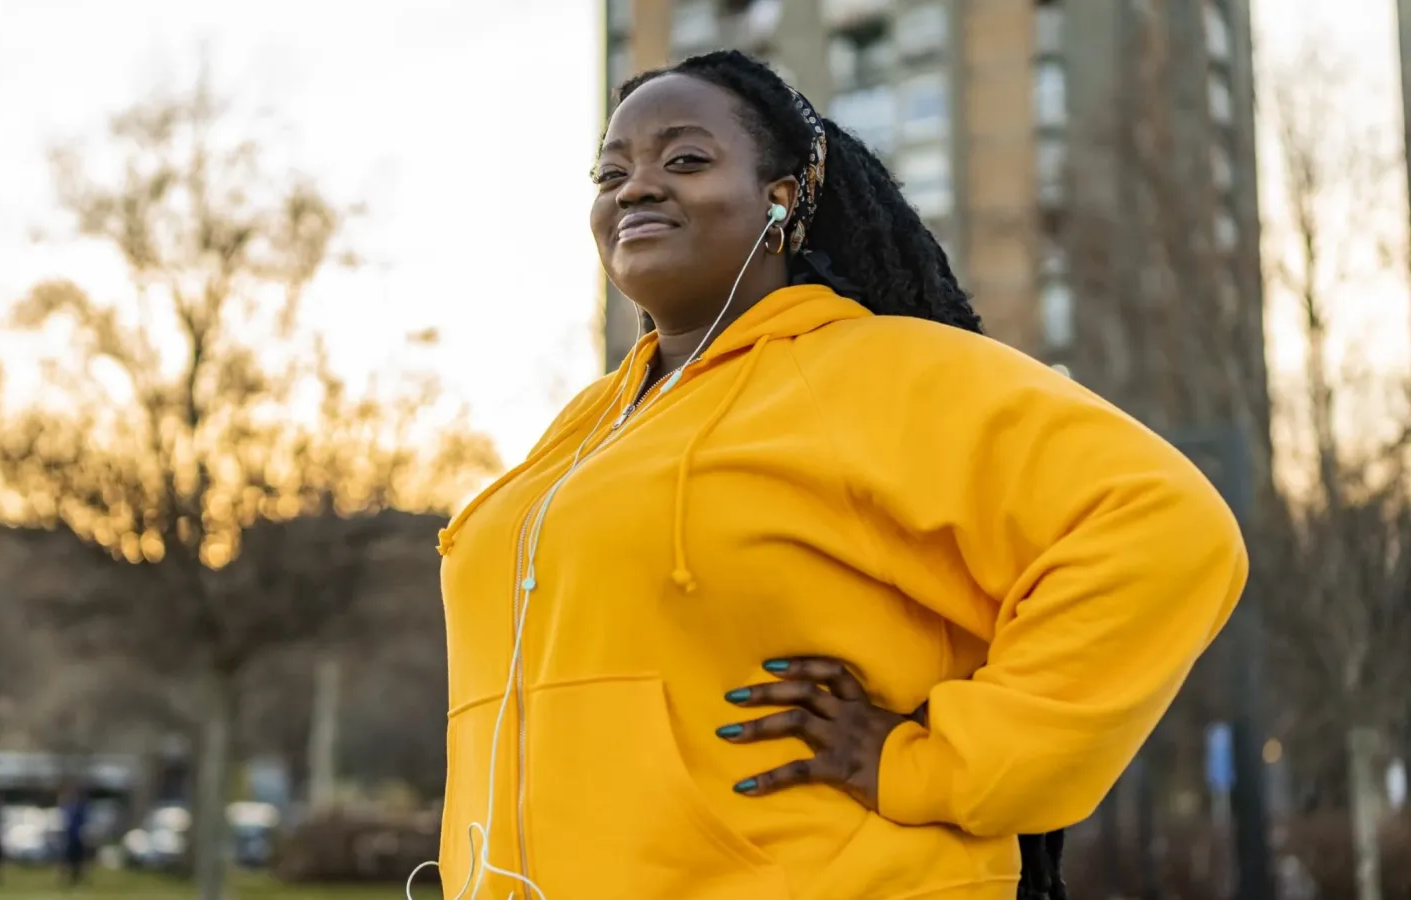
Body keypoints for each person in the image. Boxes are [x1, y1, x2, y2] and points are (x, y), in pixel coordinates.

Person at [425, 51, 1247, 900]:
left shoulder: (881, 370)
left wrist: (944, 763)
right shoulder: (590, 425)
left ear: (781, 196)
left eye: (685, 160)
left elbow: (1165, 528)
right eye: (611, 171)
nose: (635, 187)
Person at [59, 787, 89, 888]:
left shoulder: (79, 809)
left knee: (77, 862)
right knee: (68, 861)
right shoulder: (69, 810)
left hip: (77, 840)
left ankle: (75, 880)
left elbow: (83, 825)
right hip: (71, 840)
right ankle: (65, 880)